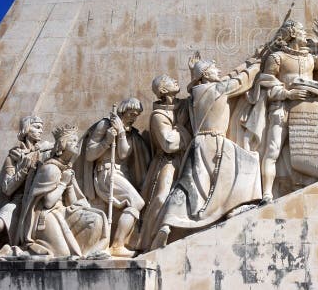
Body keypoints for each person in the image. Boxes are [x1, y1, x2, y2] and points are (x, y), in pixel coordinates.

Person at [151, 57, 261, 249]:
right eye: (214, 68)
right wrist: (258, 64)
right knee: (248, 164)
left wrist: (195, 71)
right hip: (216, 142)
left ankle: (167, 223)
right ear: (205, 75)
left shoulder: (195, 93)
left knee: (188, 186)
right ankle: (233, 208)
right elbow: (242, 80)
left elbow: (229, 76)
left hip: (198, 144)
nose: (218, 70)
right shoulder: (220, 89)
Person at [251, 19, 318, 204]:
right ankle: (266, 194)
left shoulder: (309, 59)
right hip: (283, 108)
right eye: (302, 31)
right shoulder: (277, 57)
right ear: (293, 34)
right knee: (273, 150)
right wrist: (287, 93)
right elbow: (265, 84)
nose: (306, 34)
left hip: (308, 108)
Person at [17, 125, 108, 258]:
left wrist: (69, 184)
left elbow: (72, 202)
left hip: (61, 211)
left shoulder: (64, 168)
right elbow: (48, 203)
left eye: (76, 141)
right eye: (71, 141)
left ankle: (87, 255)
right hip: (45, 216)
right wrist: (63, 183)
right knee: (61, 254)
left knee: (96, 219)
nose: (76, 144)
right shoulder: (50, 169)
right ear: (62, 145)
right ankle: (12, 252)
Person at [0, 116, 50, 260]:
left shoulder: (44, 151)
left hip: (37, 200)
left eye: (41, 128)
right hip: (18, 201)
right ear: (26, 129)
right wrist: (23, 169)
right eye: (36, 127)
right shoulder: (13, 157)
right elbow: (7, 188)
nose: (41, 131)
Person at [81, 99, 150, 257]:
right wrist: (106, 141)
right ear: (123, 111)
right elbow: (90, 154)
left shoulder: (128, 131)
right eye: (131, 114)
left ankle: (118, 244)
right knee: (137, 202)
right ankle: (117, 246)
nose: (134, 117)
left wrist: (121, 133)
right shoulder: (105, 125)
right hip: (106, 172)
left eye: (137, 115)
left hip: (121, 173)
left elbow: (123, 153)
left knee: (133, 204)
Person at [137, 75, 192, 251]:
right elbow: (169, 144)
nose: (176, 80)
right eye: (169, 80)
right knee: (161, 197)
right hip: (168, 161)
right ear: (162, 90)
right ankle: (149, 240)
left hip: (188, 157)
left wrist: (193, 73)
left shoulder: (183, 105)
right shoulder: (158, 116)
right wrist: (182, 127)